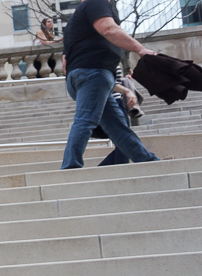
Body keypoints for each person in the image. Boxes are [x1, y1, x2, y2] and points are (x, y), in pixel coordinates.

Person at [60, 0, 158, 169]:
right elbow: (108, 29)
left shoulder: (75, 21)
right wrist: (140, 49)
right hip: (94, 73)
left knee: (117, 126)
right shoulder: (95, 3)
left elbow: (64, 62)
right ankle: (69, 167)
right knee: (85, 120)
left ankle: (147, 161)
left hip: (82, 76)